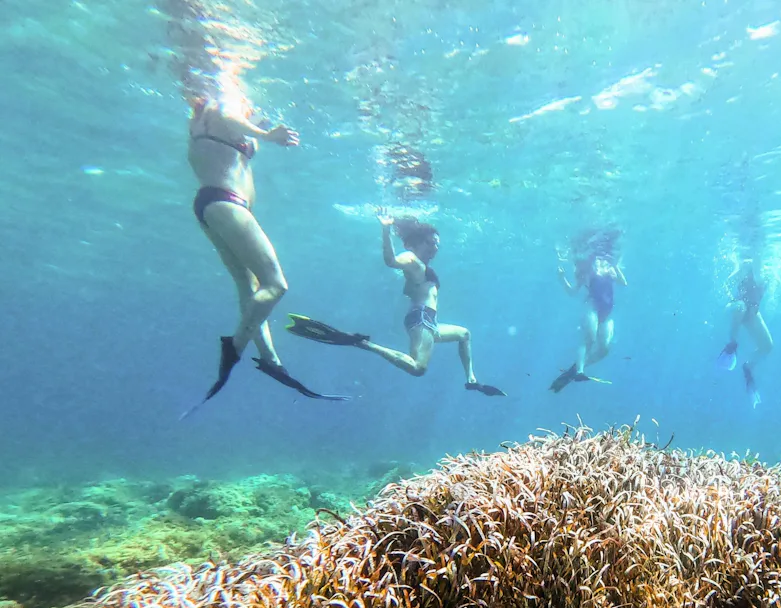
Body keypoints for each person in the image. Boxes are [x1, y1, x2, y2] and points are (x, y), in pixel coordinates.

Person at [185, 95, 345, 412]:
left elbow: (230, 125)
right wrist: (265, 136)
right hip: (226, 202)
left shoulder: (200, 121)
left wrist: (255, 128)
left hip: (212, 204)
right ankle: (235, 348)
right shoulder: (220, 107)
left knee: (250, 288)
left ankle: (270, 359)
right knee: (276, 284)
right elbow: (229, 116)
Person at [283, 209, 505, 397]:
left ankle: (471, 379)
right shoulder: (412, 260)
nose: (436, 248)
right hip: (422, 319)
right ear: (417, 244)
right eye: (431, 243)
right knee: (418, 368)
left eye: (437, 244)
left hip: (428, 321)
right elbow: (391, 261)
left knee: (464, 334)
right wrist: (385, 228)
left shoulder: (421, 266)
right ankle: (363, 344)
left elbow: (409, 288)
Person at [550, 229, 627, 392]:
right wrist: (562, 278)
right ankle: (579, 370)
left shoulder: (610, 268)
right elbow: (572, 292)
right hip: (592, 306)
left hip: (607, 312)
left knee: (604, 348)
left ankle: (577, 367)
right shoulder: (586, 271)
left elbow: (623, 282)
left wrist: (615, 266)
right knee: (589, 339)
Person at [717, 263, 773, 408]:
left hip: (751, 313)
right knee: (740, 307)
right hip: (736, 306)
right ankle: (731, 345)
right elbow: (726, 285)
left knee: (767, 346)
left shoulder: (769, 269)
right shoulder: (743, 265)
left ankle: (748, 368)